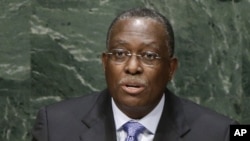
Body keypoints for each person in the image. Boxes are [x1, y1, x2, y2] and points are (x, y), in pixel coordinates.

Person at [31, 7, 238, 141]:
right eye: (120, 54)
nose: (132, 67)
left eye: (149, 55)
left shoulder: (222, 133)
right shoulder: (54, 126)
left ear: (171, 68)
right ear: (105, 62)